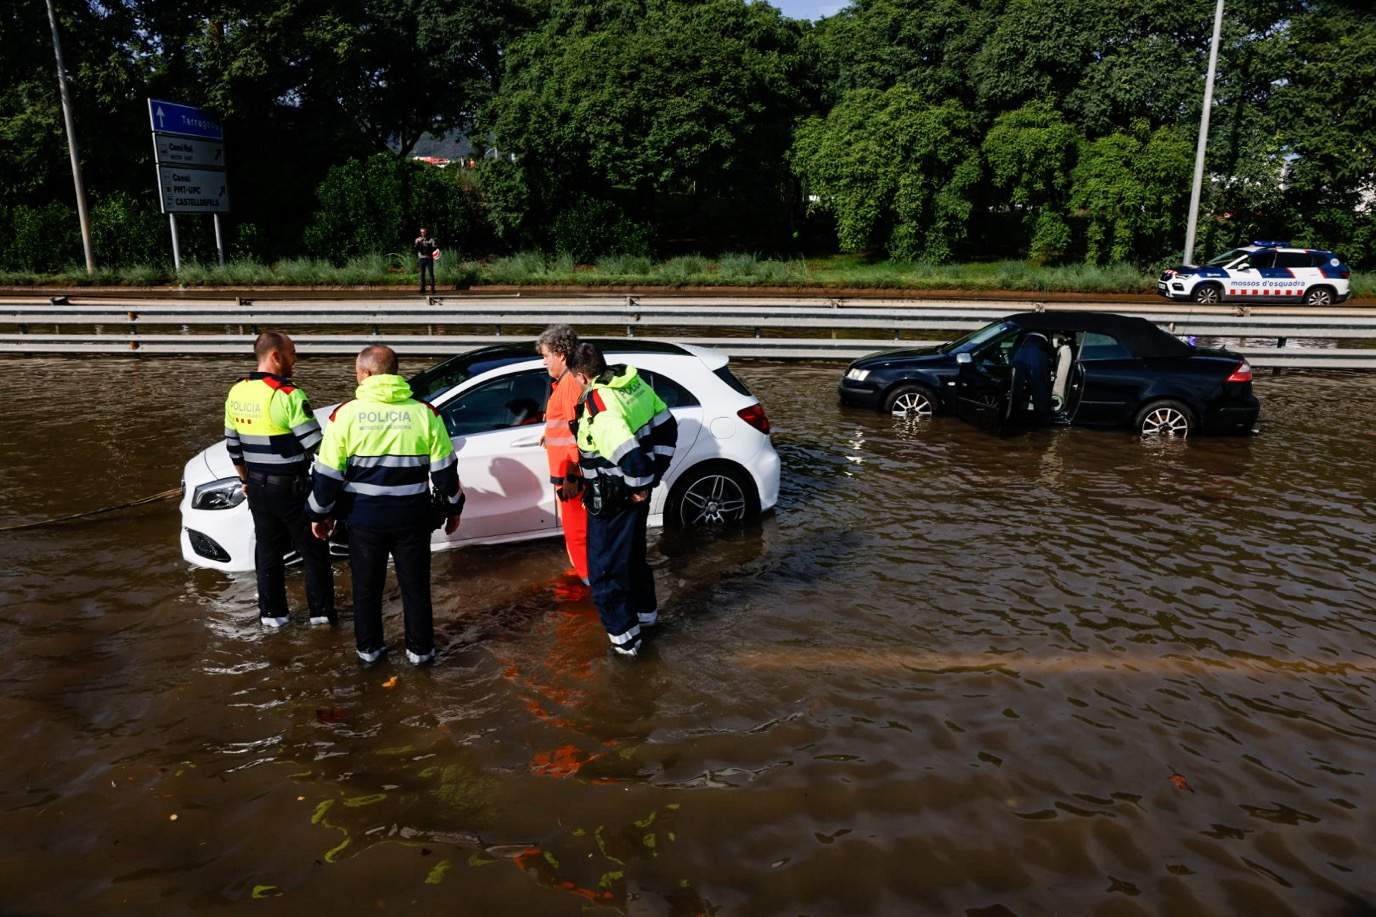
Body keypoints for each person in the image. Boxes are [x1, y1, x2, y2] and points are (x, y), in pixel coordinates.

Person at [307, 345, 464, 665]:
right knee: (416, 589)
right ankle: (421, 655)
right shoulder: (425, 413)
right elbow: (446, 473)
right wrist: (453, 508)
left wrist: (318, 514)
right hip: (413, 519)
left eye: (357, 371)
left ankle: (370, 654)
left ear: (366, 373)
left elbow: (326, 476)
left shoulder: (345, 415)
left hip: (363, 521)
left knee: (366, 590)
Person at [569, 342, 677, 657]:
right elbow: (667, 427)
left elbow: (631, 456)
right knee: (633, 559)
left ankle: (626, 646)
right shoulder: (631, 383)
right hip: (632, 497)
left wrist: (637, 485)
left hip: (613, 499)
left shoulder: (600, 407)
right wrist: (652, 479)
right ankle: (646, 620)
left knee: (604, 573)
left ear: (580, 376)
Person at [223, 331, 335, 628]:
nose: (295, 359)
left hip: (257, 487)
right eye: (292, 353)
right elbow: (316, 446)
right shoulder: (288, 394)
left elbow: (233, 446)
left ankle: (273, 618)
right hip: (292, 489)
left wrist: (246, 480)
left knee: (268, 554)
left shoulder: (237, 392)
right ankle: (321, 619)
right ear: (276, 356)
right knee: (314, 553)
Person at [537, 324, 590, 585]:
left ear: (560, 354)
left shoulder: (569, 385)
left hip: (569, 474)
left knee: (578, 533)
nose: (544, 361)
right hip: (566, 471)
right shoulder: (564, 383)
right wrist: (548, 433)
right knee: (576, 533)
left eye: (546, 355)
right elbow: (565, 426)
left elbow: (578, 435)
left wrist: (572, 476)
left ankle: (588, 584)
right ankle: (583, 573)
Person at [414, 227, 438, 294]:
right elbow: (416, 248)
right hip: (421, 258)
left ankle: (432, 289)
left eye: (424, 232)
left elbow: (435, 248)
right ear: (420, 233)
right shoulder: (417, 240)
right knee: (422, 274)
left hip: (429, 258)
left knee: (431, 274)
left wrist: (432, 247)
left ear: (426, 232)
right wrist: (418, 243)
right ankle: (422, 289)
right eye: (421, 232)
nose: (423, 233)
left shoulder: (431, 240)